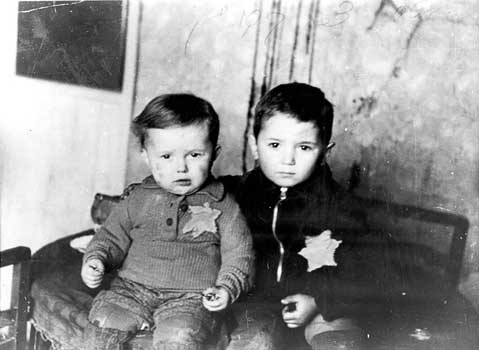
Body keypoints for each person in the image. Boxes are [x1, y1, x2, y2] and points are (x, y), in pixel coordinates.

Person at [222, 82, 390, 350]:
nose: (287, 159)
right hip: (255, 307)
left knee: (341, 344)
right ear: (255, 145)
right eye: (275, 145)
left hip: (323, 307)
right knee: (252, 343)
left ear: (325, 151)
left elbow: (371, 272)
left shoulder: (342, 208)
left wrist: (318, 301)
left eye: (304, 148)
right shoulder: (232, 195)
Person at [81, 93, 254, 350]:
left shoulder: (224, 204)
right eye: (166, 157)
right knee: (102, 326)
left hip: (192, 298)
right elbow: (110, 237)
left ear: (214, 154)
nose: (181, 167)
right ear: (146, 155)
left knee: (180, 338)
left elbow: (240, 255)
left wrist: (226, 288)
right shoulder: (138, 197)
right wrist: (96, 259)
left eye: (195, 155)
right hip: (130, 290)